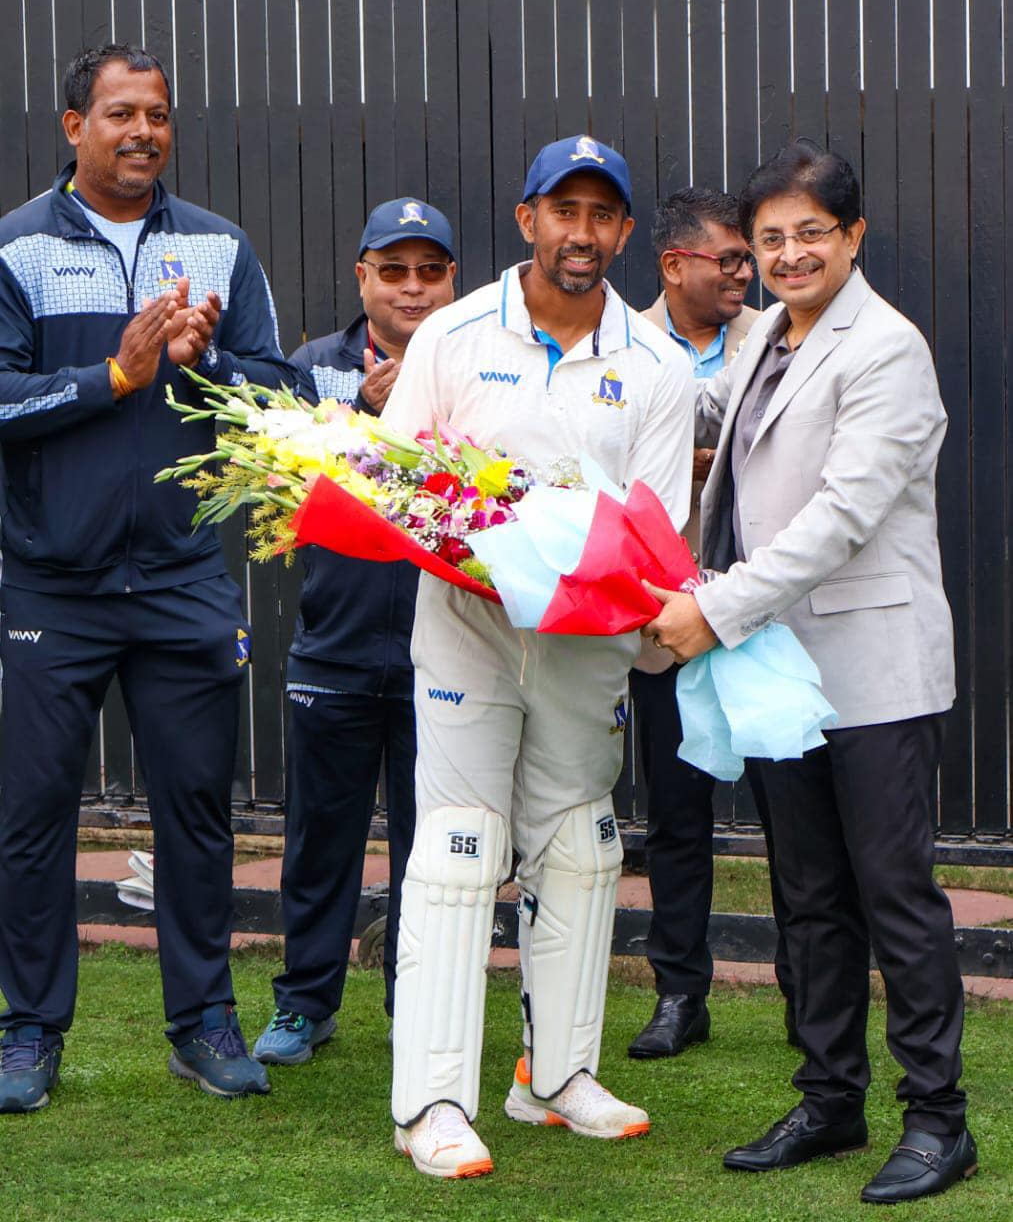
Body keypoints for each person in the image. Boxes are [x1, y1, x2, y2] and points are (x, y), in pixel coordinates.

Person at [646, 139, 976, 1205]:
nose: (787, 256)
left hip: (868, 666)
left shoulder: (886, 349)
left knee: (893, 897)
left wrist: (716, 605)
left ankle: (937, 1118)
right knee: (806, 896)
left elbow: (838, 516)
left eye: (809, 235)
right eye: (770, 238)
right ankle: (829, 1097)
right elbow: (727, 483)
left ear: (853, 237)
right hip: (775, 664)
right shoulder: (757, 343)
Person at [380, 135, 695, 1179]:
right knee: (460, 846)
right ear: (526, 220)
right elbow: (396, 479)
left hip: (583, 641)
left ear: (621, 233)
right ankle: (429, 1099)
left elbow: (653, 522)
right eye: (564, 210)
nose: (582, 233)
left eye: (602, 214)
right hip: (465, 625)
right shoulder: (455, 331)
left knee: (580, 843)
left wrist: (585, 583)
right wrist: (479, 558)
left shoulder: (654, 363)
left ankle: (552, 1075)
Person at [0, 44, 294, 1111]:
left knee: (195, 813)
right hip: (51, 584)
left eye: (159, 115)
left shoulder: (217, 248)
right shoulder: (18, 250)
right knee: (32, 814)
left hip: (182, 577)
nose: (143, 132)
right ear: (71, 123)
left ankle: (203, 1021)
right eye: (120, 112)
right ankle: (28, 1030)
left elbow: (274, 397)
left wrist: (203, 364)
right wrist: (115, 374)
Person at [252, 199, 456, 1065]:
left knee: (432, 844)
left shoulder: (475, 367)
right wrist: (364, 430)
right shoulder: (311, 369)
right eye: (394, 271)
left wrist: (412, 424)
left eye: (430, 272)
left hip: (441, 650)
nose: (412, 290)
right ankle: (304, 1002)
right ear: (361, 276)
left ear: (453, 280)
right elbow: (282, 502)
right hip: (333, 647)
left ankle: (416, 997)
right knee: (319, 839)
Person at [627, 188, 796, 1059]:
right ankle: (678, 995)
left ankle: (807, 997)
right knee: (677, 819)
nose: (744, 274)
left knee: (790, 819)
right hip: (662, 626)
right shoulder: (622, 344)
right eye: (728, 259)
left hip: (762, 616)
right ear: (672, 265)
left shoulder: (775, 339)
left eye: (746, 259)